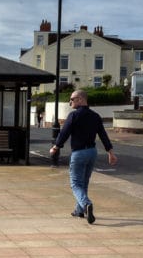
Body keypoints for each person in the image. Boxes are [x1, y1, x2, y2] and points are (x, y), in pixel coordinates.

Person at [49, 90, 118, 223]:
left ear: (80, 99)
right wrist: (110, 152)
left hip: (79, 153)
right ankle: (79, 210)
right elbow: (103, 135)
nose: (70, 103)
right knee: (84, 183)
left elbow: (64, 133)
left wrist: (56, 147)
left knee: (75, 184)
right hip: (92, 152)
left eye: (72, 99)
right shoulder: (95, 116)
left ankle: (86, 204)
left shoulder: (74, 116)